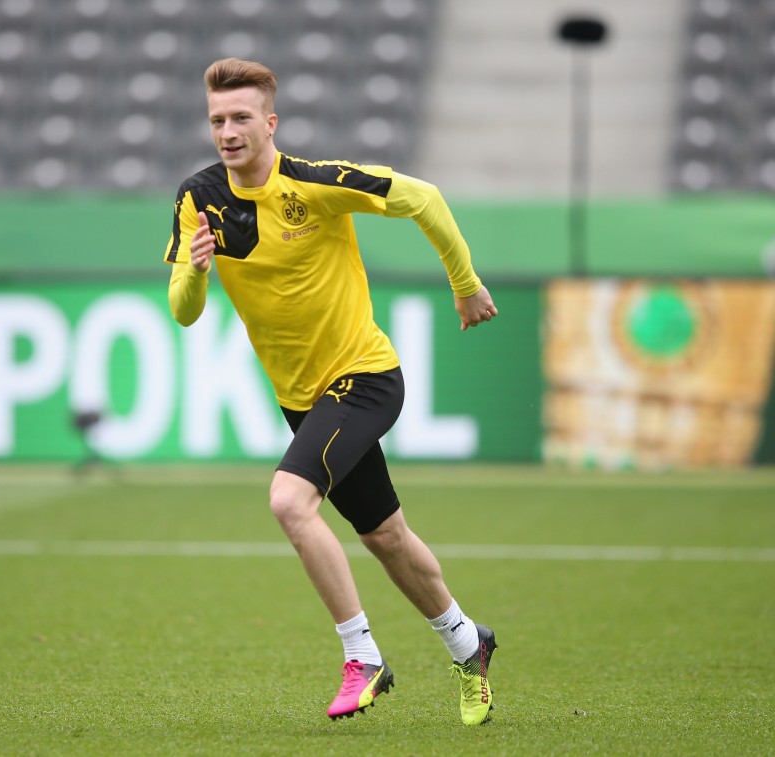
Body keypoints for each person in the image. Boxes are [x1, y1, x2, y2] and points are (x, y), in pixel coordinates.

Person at [163, 58, 500, 725]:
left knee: (289, 500)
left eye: (240, 118)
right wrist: (198, 270)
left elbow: (424, 197)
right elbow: (182, 309)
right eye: (217, 120)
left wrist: (464, 282)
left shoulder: (314, 183)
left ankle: (363, 657)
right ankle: (469, 642)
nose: (227, 131)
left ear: (270, 122)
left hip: (366, 377)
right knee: (386, 536)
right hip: (303, 398)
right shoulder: (197, 196)